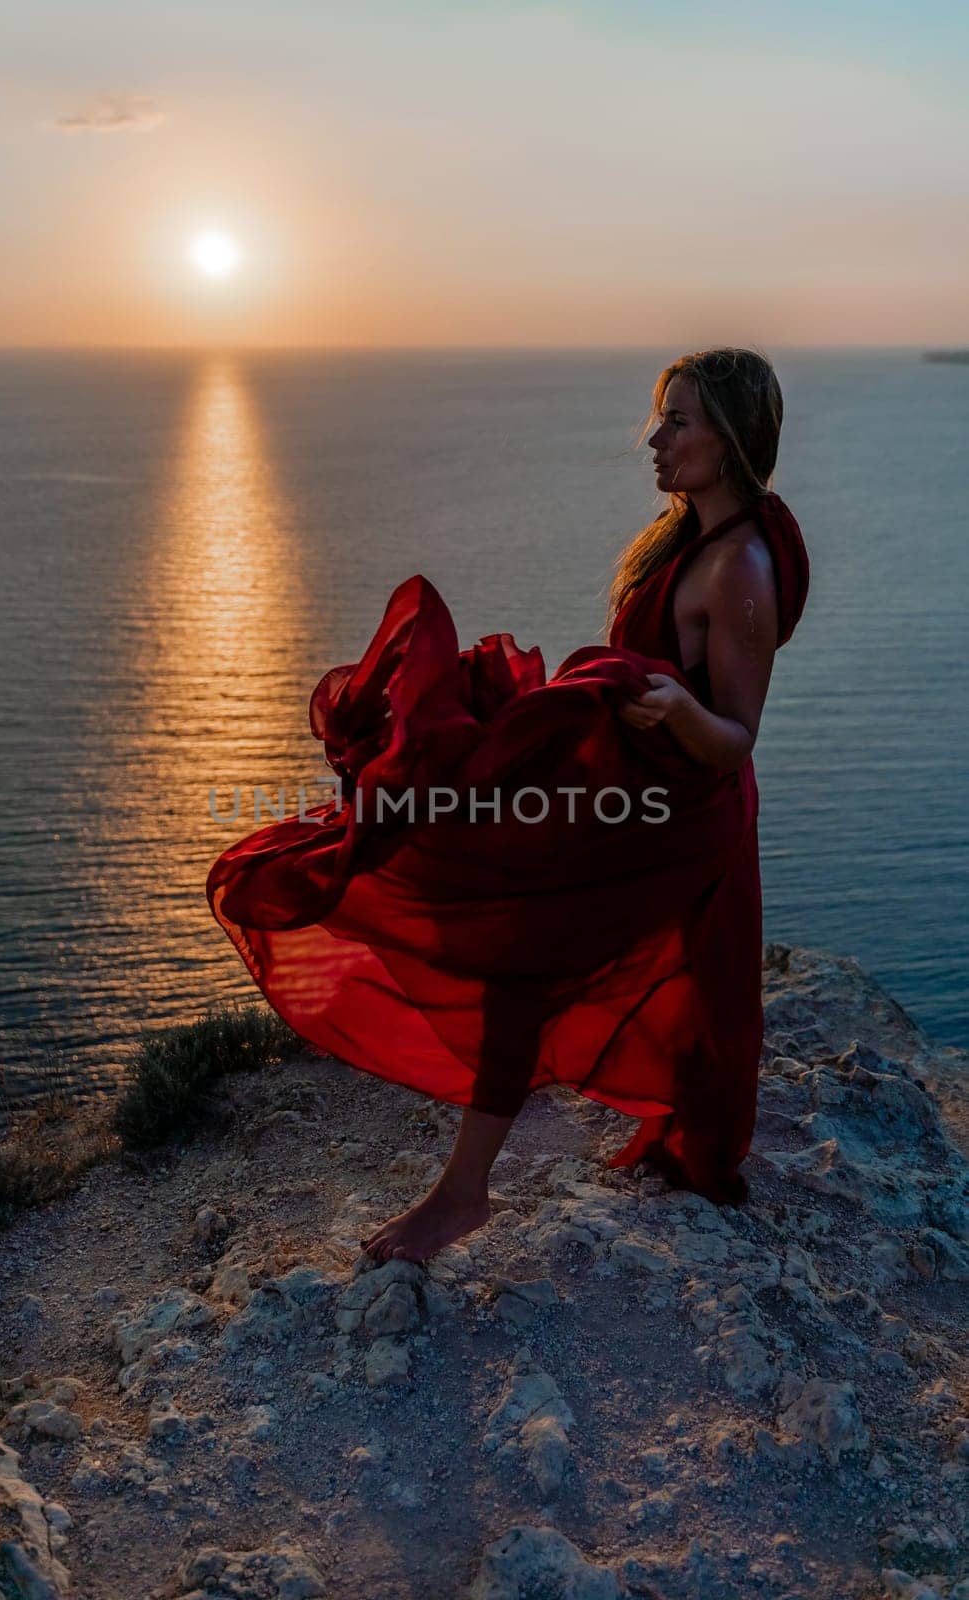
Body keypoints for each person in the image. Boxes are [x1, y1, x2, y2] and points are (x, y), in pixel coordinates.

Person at [206, 346, 810, 1263]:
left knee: (521, 947)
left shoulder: (740, 571)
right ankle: (471, 1187)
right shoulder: (681, 542)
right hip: (634, 792)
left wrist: (680, 708)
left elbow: (736, 737)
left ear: (727, 441)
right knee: (494, 880)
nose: (654, 439)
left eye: (677, 421)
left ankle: (460, 1195)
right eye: (659, 417)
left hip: (681, 818)